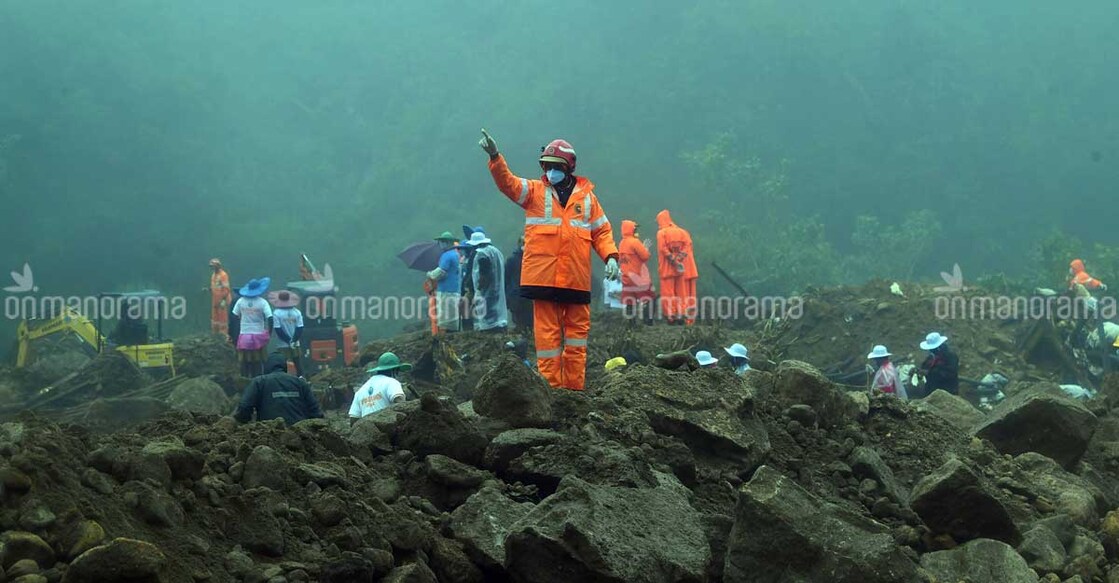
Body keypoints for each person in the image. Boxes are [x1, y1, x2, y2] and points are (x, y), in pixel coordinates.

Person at [479, 129, 619, 391]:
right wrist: (495, 157)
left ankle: (574, 392)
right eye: (546, 166)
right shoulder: (534, 192)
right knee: (547, 342)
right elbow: (507, 183)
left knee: (577, 341)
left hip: (576, 281)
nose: (550, 171)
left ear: (569, 167)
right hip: (544, 280)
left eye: (556, 166)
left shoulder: (588, 199)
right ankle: (551, 392)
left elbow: (601, 231)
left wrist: (611, 256)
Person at [233, 351, 323, 425]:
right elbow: (316, 412)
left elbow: (244, 406)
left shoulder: (259, 382)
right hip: (299, 435)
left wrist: (243, 422)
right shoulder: (300, 383)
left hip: (269, 434)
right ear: (284, 366)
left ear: (266, 366)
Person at [656, 210, 699, 325]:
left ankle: (671, 317)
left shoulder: (661, 233)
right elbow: (687, 246)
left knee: (668, 293)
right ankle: (682, 315)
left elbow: (662, 249)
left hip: (666, 269)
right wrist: (679, 259)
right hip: (680, 269)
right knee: (682, 294)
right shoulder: (682, 232)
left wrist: (673, 260)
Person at [349, 352, 411, 423]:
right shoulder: (392, 382)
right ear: (394, 370)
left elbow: (353, 419)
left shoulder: (360, 390)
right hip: (387, 429)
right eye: (398, 371)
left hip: (366, 430)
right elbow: (400, 403)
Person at [232, 277, 273, 377]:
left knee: (244, 362)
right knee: (258, 362)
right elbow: (270, 318)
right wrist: (269, 333)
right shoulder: (262, 302)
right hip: (259, 336)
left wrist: (235, 333)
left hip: (244, 335)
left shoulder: (241, 301)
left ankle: (245, 382)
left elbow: (234, 316)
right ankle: (258, 382)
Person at [468, 231, 509, 331]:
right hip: (497, 287)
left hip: (487, 290)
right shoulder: (495, 251)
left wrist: (479, 289)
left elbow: (484, 274)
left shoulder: (482, 254)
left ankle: (490, 330)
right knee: (496, 312)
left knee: (487, 313)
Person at [618, 220, 656, 322]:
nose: (636, 231)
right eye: (635, 229)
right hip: (638, 278)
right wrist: (646, 248)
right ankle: (648, 322)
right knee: (650, 298)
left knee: (630, 302)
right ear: (632, 230)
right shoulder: (635, 242)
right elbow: (645, 256)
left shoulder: (622, 243)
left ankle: (631, 324)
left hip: (626, 278)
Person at [426, 232, 462, 333]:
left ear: (448, 243)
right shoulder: (455, 254)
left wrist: (430, 274)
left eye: (443, 241)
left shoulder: (447, 255)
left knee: (446, 319)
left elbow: (441, 272)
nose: (441, 244)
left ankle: (447, 337)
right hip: (454, 289)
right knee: (452, 316)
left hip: (446, 290)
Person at [270, 290, 305, 377]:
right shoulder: (297, 312)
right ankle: (301, 378)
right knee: (298, 363)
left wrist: (288, 341)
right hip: (295, 343)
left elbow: (278, 330)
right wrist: (294, 340)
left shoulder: (276, 313)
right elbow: (300, 328)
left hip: (282, 344)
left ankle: (283, 379)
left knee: (282, 363)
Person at [505, 237, 533, 333]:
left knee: (526, 323)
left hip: (524, 296)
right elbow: (507, 279)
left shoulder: (513, 259)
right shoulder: (513, 260)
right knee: (521, 323)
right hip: (518, 296)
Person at [207, 259, 232, 338]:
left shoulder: (223, 275)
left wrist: (223, 300)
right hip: (215, 300)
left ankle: (224, 336)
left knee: (223, 318)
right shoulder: (213, 275)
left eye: (214, 266)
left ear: (218, 266)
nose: (212, 268)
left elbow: (226, 289)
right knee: (215, 318)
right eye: (211, 266)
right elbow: (215, 287)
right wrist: (209, 289)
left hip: (222, 300)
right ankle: (216, 335)